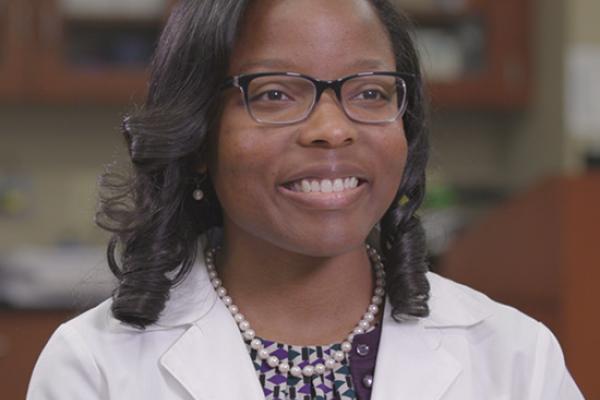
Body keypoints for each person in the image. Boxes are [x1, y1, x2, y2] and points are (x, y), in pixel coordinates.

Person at [27, 0, 583, 399]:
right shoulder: (96, 365)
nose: (332, 130)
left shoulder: (515, 358)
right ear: (197, 135)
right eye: (273, 93)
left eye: (370, 92)